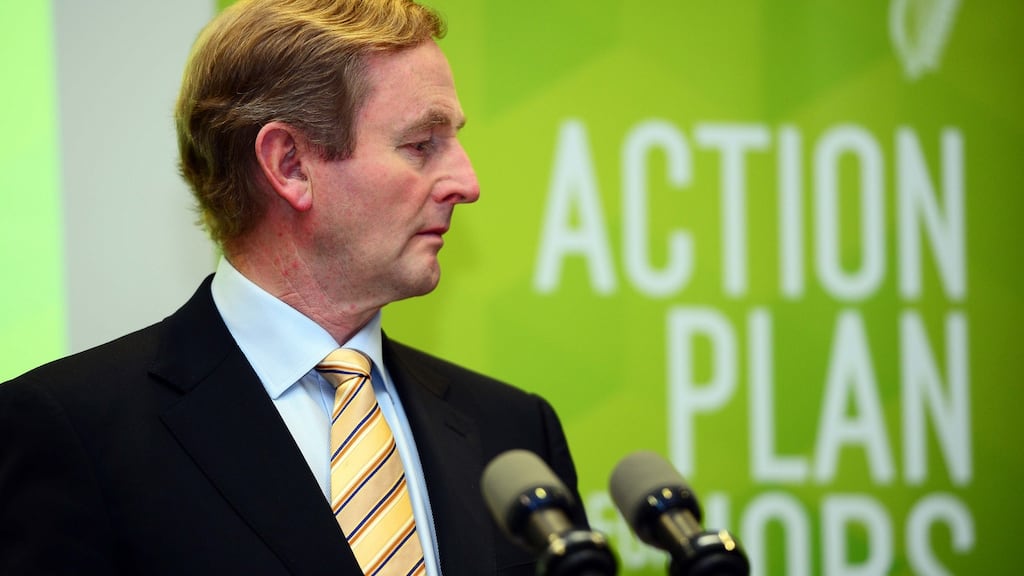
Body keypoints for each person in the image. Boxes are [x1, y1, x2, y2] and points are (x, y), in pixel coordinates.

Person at [0, 1, 585, 574]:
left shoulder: (512, 431)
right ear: (289, 166)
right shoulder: (73, 432)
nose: (467, 181)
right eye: (421, 145)